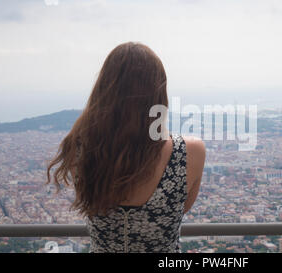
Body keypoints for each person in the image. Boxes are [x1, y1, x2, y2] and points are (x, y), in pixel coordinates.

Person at [46, 42, 205, 253]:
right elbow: (180, 208)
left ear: (103, 92)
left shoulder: (78, 149)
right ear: (158, 95)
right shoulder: (188, 152)